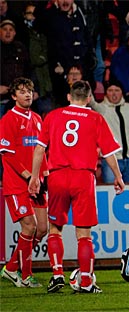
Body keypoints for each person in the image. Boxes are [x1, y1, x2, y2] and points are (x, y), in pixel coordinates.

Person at [28, 80, 125, 294]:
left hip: (57, 176)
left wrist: (34, 177)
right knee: (84, 234)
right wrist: (118, 176)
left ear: (69, 97)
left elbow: (39, 149)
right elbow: (109, 152)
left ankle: (56, 275)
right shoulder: (96, 118)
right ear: (89, 98)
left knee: (55, 229)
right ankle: (86, 282)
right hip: (83, 177)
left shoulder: (53, 116)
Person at [0, 77, 48, 288]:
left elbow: (42, 151)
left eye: (29, 91)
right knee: (29, 226)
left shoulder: (37, 118)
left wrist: (43, 176)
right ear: (13, 96)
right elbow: (8, 155)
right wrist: (29, 176)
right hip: (18, 183)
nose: (27, 94)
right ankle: (26, 275)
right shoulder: (8, 120)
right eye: (21, 91)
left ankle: (11, 267)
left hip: (37, 182)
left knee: (42, 229)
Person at [89, 79, 129, 184]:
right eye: (110, 90)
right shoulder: (102, 109)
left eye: (117, 90)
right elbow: (92, 102)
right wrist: (86, 86)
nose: (114, 93)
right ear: (106, 93)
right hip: (111, 160)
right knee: (112, 192)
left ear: (122, 92)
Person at [0, 19, 33, 117]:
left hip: (18, 99)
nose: (8, 32)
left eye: (11, 30)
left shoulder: (20, 48)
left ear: (14, 33)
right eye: (5, 29)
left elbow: (29, 70)